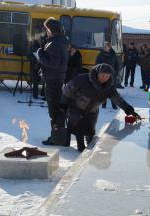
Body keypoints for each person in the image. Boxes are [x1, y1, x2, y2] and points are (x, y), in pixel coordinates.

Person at [61, 63, 141, 152]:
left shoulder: (109, 87)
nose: (104, 78)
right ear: (97, 72)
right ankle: (81, 147)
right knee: (78, 128)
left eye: (107, 76)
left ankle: (90, 145)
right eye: (102, 75)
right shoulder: (82, 79)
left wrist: (128, 109)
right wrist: (63, 103)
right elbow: (67, 89)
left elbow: (116, 98)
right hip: (77, 107)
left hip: (92, 110)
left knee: (90, 130)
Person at [37, 17, 68, 145]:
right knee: (56, 109)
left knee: (54, 110)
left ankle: (56, 138)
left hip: (53, 80)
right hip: (55, 79)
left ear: (51, 29)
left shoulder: (55, 43)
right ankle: (57, 136)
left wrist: (40, 53)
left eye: (47, 28)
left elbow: (53, 64)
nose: (46, 31)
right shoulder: (58, 41)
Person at [95, 41, 119, 109]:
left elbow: (117, 65)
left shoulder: (113, 54)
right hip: (103, 75)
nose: (104, 48)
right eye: (104, 47)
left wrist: (115, 73)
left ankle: (114, 105)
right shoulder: (100, 55)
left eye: (106, 46)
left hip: (111, 75)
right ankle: (103, 104)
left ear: (109, 47)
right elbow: (96, 64)